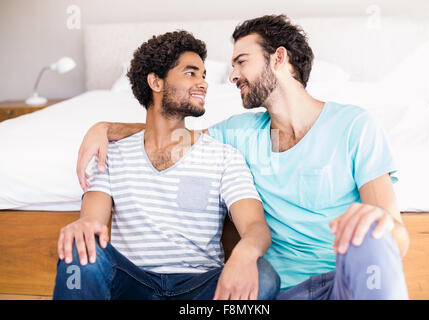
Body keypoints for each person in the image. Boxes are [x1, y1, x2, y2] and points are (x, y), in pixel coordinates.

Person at [76, 15, 410, 299]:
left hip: (345, 283)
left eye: (241, 62)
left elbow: (395, 233)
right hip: (280, 290)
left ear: (278, 59)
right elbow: (170, 134)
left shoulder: (354, 125)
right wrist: (105, 128)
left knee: (375, 239)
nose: (232, 76)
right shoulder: (238, 133)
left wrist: (381, 231)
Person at [53, 30, 280, 300]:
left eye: (204, 75)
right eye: (190, 73)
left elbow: (256, 227)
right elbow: (92, 222)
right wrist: (82, 226)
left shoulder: (224, 156)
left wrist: (245, 252)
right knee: (80, 249)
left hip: (199, 289)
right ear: (155, 82)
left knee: (264, 276)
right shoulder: (111, 153)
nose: (203, 84)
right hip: (133, 284)